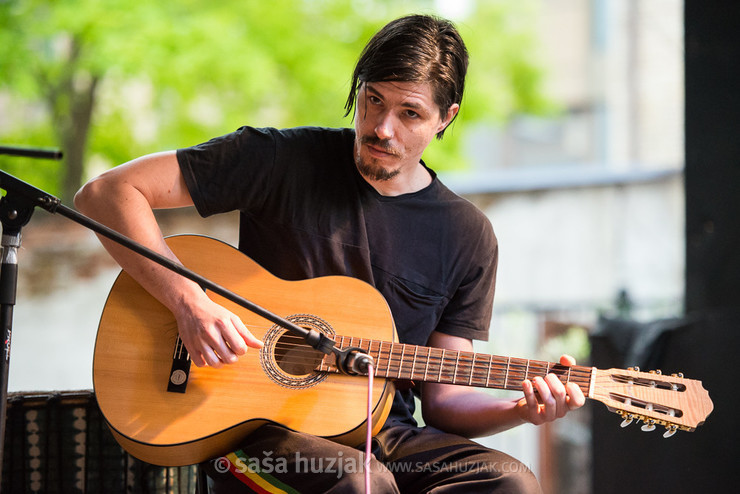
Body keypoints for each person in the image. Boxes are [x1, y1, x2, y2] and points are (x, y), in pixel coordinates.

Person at [76, 14, 585, 493]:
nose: (382, 128)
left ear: (445, 119)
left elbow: (445, 401)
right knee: (360, 484)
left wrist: (521, 409)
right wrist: (189, 304)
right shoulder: (279, 160)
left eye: (409, 113)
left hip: (385, 434)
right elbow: (105, 194)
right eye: (373, 100)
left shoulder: (466, 235)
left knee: (508, 482)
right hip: (249, 431)